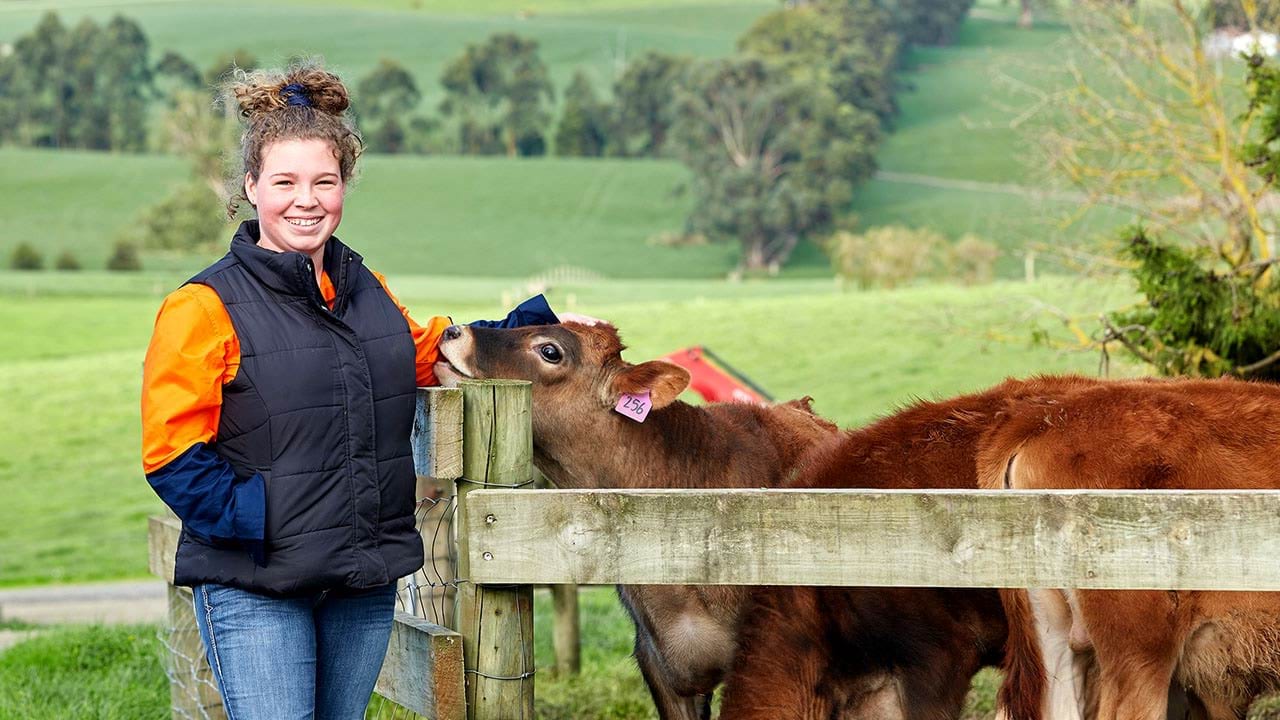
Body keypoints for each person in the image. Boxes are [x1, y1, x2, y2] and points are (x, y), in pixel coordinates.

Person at [140, 61, 565, 719]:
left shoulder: (366, 290)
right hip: (257, 585)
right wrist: (264, 523)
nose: (305, 199)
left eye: (324, 181)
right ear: (251, 187)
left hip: (360, 583)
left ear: (344, 186)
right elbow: (172, 457)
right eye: (284, 181)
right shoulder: (202, 306)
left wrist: (532, 333)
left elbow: (426, 353)